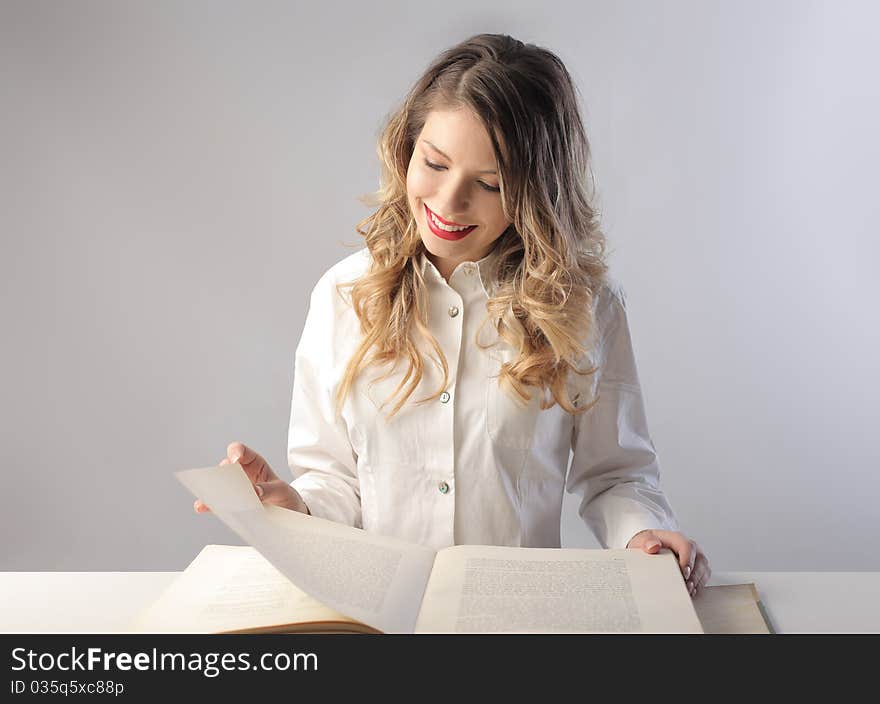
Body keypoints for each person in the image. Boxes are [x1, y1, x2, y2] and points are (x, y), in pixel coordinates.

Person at [194, 33, 711, 598]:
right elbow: (335, 481)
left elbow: (615, 474)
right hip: (377, 618)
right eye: (434, 163)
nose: (447, 203)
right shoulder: (344, 294)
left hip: (517, 620)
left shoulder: (584, 306)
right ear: (407, 148)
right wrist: (289, 504)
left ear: (535, 192)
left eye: (489, 184)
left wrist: (644, 537)